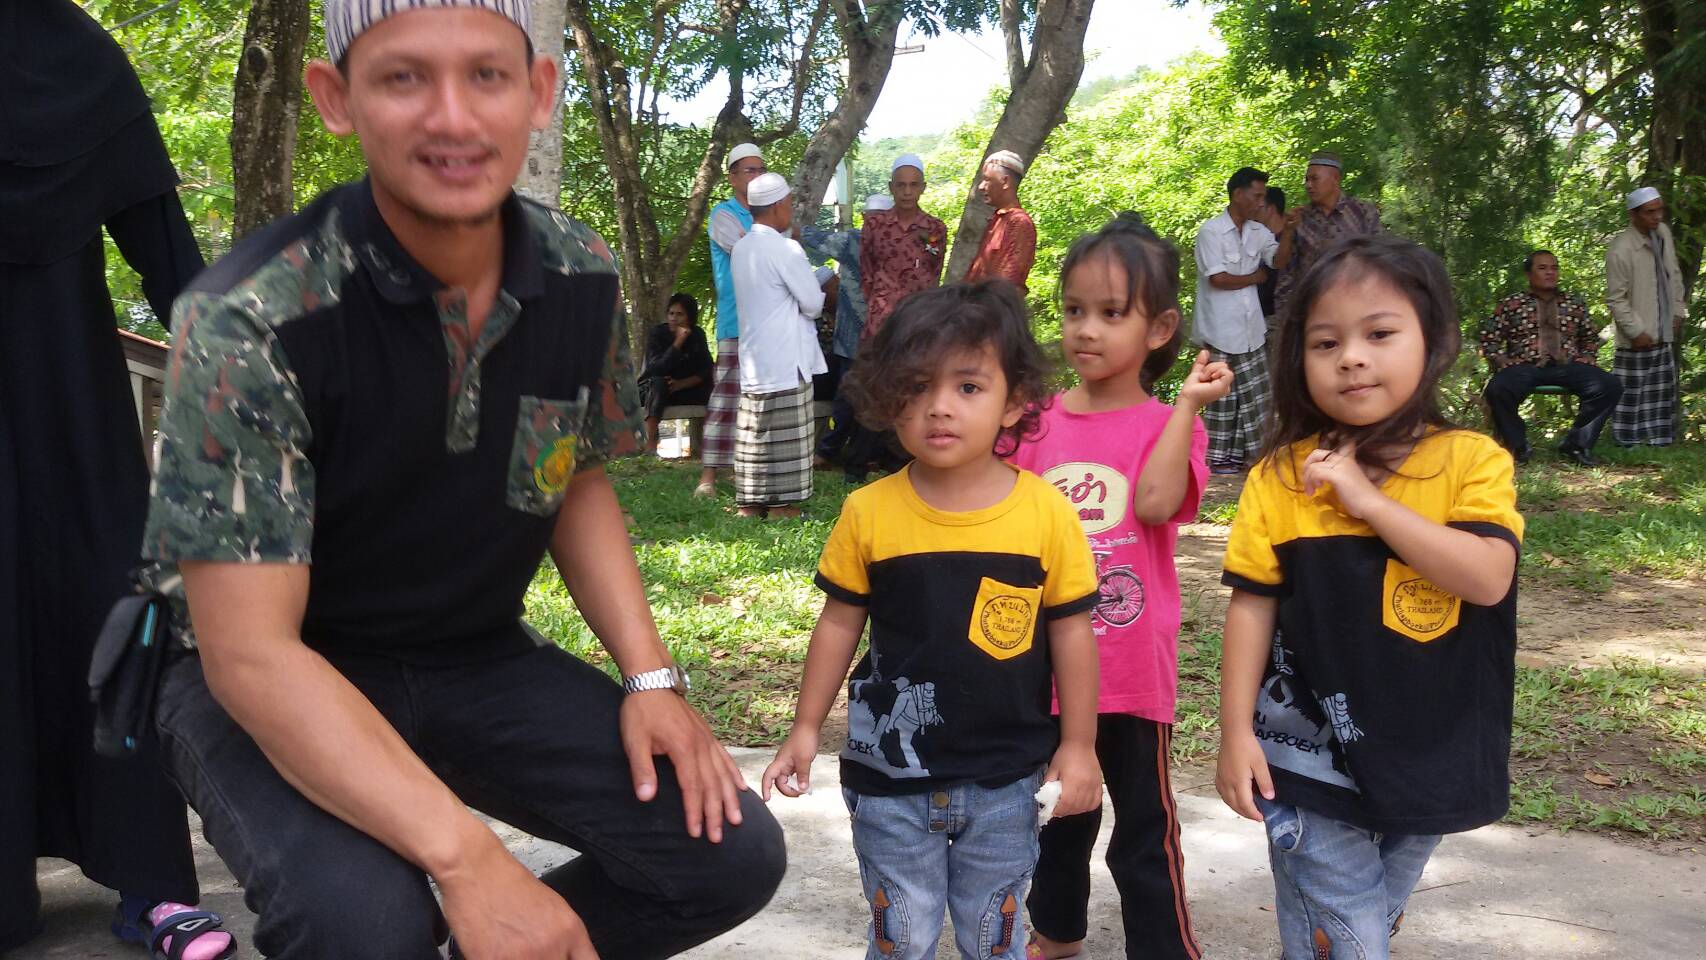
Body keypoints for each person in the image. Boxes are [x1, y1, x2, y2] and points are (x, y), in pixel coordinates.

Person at [141, 4, 785, 958]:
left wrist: (651, 677)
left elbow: (572, 475)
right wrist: (471, 860)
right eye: (404, 77)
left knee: (725, 850)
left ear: (539, 92)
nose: (452, 116)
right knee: (363, 924)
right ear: (336, 99)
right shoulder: (252, 316)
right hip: (276, 666)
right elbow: (251, 656)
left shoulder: (579, 274)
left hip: (469, 654)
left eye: (486, 75)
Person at [761, 280, 1104, 960]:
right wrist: (804, 727)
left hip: (1008, 778)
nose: (939, 407)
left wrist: (1080, 744)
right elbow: (839, 624)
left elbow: (1072, 631)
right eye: (917, 387)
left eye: (968, 387)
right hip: (889, 779)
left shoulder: (1046, 514)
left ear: (1015, 402)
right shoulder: (869, 512)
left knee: (994, 939)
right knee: (902, 938)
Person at [0, 3, 236, 957]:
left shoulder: (78, 60)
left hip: (70, 409)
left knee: (107, 607)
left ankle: (153, 884)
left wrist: (251, 386)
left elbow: (169, 255)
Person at [1216, 234, 1522, 960]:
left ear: (1435, 341)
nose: (1351, 357)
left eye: (1379, 334)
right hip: (1307, 753)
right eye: (1326, 343)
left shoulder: (1471, 461)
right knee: (1351, 931)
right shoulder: (1280, 477)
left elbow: (1487, 577)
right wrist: (1233, 733)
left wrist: (1368, 501)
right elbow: (1252, 606)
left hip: (1431, 752)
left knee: (1355, 926)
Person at [1012, 213, 1229, 960]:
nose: (1086, 330)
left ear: (1160, 328)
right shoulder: (1032, 424)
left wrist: (1188, 409)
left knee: (1143, 827)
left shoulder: (1170, 423)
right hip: (1043, 665)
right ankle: (1057, 931)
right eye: (1074, 310)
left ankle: (1165, 949)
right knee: (1056, 814)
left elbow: (1157, 505)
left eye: (1111, 313)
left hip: (1131, 664)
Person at [730, 172, 827, 519]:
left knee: (756, 432)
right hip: (786, 355)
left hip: (755, 356)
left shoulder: (741, 248)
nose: (791, 210)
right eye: (789, 203)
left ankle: (751, 503)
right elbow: (813, 304)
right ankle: (783, 507)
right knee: (787, 434)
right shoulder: (785, 249)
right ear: (777, 206)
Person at [851, 155, 946, 481]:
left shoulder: (934, 228)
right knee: (874, 385)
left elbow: (934, 274)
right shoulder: (875, 226)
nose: (907, 192)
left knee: (912, 386)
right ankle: (858, 461)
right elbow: (866, 271)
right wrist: (878, 305)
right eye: (901, 185)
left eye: (913, 185)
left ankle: (901, 459)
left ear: (923, 188)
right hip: (881, 319)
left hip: (919, 322)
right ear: (891, 188)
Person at [1481, 251, 1621, 465]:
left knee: (1609, 385)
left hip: (1568, 365)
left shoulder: (1574, 302)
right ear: (1529, 274)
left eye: (1554, 268)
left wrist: (1588, 355)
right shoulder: (1512, 304)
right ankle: (1517, 446)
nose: (1550, 273)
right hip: (1524, 365)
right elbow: (1489, 338)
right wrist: (1502, 360)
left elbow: (1589, 337)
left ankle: (1577, 445)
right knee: (1498, 388)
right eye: (1542, 268)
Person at [1193, 167, 1279, 475]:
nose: (1260, 202)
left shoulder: (1259, 231)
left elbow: (1278, 260)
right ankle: (1218, 459)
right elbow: (1218, 279)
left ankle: (1254, 454)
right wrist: (1256, 277)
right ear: (1237, 194)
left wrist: (1290, 231)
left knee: (1257, 396)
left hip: (1251, 328)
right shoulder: (1211, 232)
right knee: (1221, 396)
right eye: (1256, 196)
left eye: (1263, 197)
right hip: (1219, 329)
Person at [698, 141, 769, 496]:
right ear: (733, 177)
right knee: (726, 398)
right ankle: (708, 477)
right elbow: (749, 251)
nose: (757, 176)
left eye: (761, 170)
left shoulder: (771, 212)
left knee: (761, 401)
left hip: (768, 322)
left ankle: (751, 472)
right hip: (736, 320)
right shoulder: (723, 214)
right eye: (750, 170)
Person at [802, 194, 887, 467]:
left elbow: (812, 237)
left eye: (879, 219)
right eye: (870, 218)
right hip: (856, 340)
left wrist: (790, 229)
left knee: (868, 399)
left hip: (880, 340)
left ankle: (854, 453)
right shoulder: (856, 241)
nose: (874, 223)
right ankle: (833, 452)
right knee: (849, 398)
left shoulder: (862, 242)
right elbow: (815, 238)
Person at [1606, 186, 1689, 447]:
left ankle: (1659, 441)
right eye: (1650, 212)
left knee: (1661, 390)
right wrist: (1635, 331)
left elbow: (1674, 275)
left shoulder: (1663, 233)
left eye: (1659, 210)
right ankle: (1627, 442)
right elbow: (1616, 299)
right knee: (1632, 392)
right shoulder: (1621, 249)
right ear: (1634, 215)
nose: (1657, 217)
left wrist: (1678, 311)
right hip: (1637, 332)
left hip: (1663, 324)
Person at [1272, 152, 1382, 317]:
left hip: (1356, 305)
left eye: (1314, 179)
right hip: (1313, 309)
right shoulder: (1300, 218)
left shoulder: (1363, 213)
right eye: (1306, 180)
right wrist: (1287, 231)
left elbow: (1379, 260)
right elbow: (1283, 266)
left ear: (1335, 178)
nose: (1308, 185)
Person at [639, 293, 715, 453]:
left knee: (715, 387)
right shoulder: (657, 334)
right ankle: (650, 444)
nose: (674, 318)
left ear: (690, 318)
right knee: (659, 383)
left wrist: (682, 384)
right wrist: (678, 342)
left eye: (680, 314)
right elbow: (657, 369)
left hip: (684, 388)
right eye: (671, 313)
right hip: (655, 389)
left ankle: (710, 444)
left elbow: (706, 369)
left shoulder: (697, 335)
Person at [964, 150, 1039, 293]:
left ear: (1005, 181)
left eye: (987, 179)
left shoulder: (1019, 223)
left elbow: (1006, 286)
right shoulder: (998, 219)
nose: (981, 186)